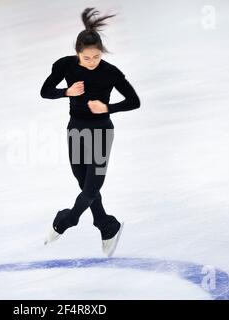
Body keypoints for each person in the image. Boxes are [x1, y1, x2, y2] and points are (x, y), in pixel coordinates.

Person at [40, 7, 141, 257]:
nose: (92, 62)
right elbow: (45, 91)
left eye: (96, 57)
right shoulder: (65, 66)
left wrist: (107, 107)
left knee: (91, 188)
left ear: (101, 53)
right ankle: (106, 225)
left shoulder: (110, 72)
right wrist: (66, 92)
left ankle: (66, 220)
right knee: (83, 183)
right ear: (78, 54)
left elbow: (134, 101)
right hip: (75, 129)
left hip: (101, 132)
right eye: (87, 58)